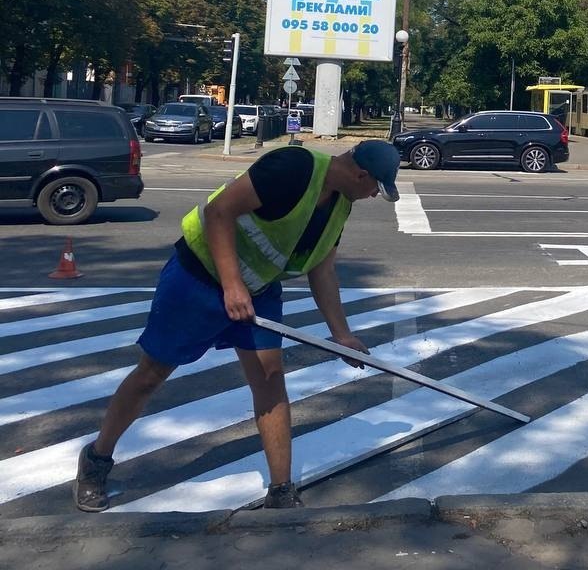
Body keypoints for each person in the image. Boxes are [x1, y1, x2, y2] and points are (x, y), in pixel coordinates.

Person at [73, 140, 401, 513]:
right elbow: (218, 212)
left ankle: (281, 491)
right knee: (152, 373)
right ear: (361, 174)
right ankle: (96, 460)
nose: (374, 194)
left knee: (270, 376)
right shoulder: (293, 167)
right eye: (377, 186)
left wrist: (341, 334)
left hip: (258, 289)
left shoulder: (341, 204)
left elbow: (322, 269)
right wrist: (231, 285)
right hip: (199, 276)